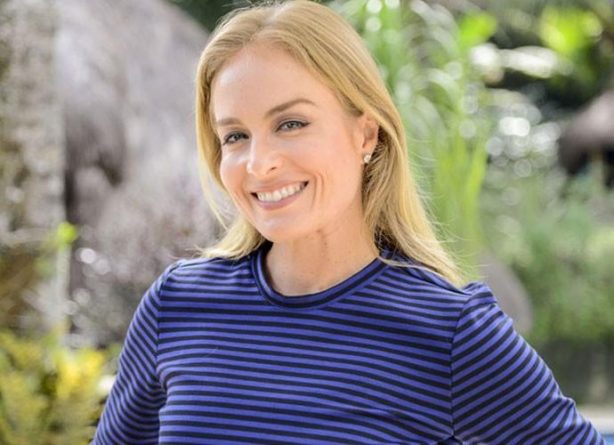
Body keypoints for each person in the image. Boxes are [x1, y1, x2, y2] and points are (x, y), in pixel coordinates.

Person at [92, 1, 606, 444]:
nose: (259, 163)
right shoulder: (177, 305)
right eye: (235, 136)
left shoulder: (449, 331)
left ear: (365, 135)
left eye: (291, 124)